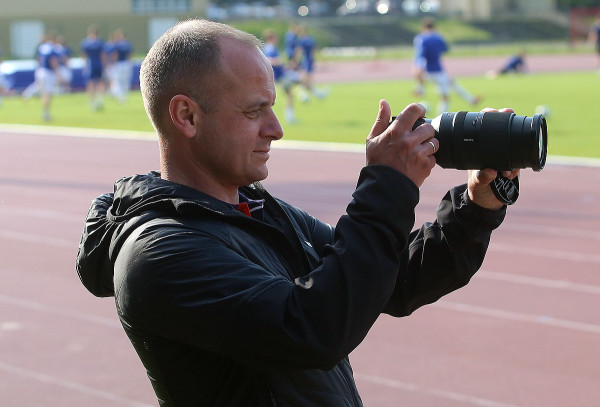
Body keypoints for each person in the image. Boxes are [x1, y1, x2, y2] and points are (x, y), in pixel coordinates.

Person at [76, 19, 519, 407]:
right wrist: (387, 185)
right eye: (254, 110)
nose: (277, 129)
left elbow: (396, 278)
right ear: (186, 115)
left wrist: (477, 204)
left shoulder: (256, 209)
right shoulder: (159, 253)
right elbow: (312, 330)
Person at [413, 17, 480, 114]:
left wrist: (419, 67)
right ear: (434, 26)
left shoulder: (421, 39)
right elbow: (445, 49)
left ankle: (471, 100)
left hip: (426, 70)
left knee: (451, 82)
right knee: (445, 96)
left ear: (423, 27)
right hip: (437, 70)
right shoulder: (438, 38)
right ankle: (441, 115)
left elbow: (420, 55)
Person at [262, 28, 300, 123]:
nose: (277, 40)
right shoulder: (270, 48)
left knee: (289, 93)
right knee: (296, 83)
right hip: (278, 77)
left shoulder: (270, 48)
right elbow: (268, 60)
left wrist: (285, 65)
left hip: (279, 76)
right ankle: (304, 94)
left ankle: (290, 117)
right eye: (275, 38)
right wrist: (279, 61)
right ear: (271, 38)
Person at [81, 25, 106, 111]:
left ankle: (92, 101)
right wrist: (104, 64)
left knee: (91, 83)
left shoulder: (86, 43)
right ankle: (100, 99)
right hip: (98, 64)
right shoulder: (100, 42)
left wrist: (84, 64)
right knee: (100, 82)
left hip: (90, 64)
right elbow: (103, 55)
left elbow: (84, 55)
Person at [106, 28, 133, 103]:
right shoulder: (127, 44)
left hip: (118, 64)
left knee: (118, 80)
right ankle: (124, 96)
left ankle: (120, 95)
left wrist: (112, 63)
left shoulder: (116, 45)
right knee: (125, 81)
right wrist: (129, 63)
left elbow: (115, 55)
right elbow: (129, 55)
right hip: (126, 63)